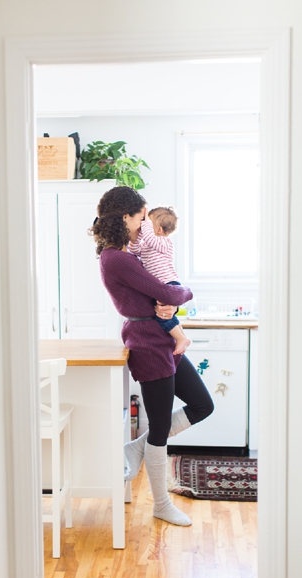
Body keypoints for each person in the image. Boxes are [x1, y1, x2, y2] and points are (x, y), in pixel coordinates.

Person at [89, 186, 213, 527]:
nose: (144, 224)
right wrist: (184, 292)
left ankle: (136, 447)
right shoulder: (115, 257)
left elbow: (161, 293)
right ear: (126, 216)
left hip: (161, 339)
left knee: (203, 405)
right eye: (142, 218)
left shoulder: (128, 253)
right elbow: (163, 291)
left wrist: (173, 298)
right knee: (159, 426)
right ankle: (161, 504)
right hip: (147, 343)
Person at [127, 205, 191, 355]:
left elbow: (149, 237)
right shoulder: (148, 245)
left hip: (169, 283)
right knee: (166, 313)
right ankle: (182, 337)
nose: (144, 228)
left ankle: (181, 338)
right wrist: (135, 238)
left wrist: (145, 221)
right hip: (162, 286)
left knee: (163, 315)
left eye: (149, 224)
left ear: (159, 230)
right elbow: (134, 250)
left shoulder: (164, 242)